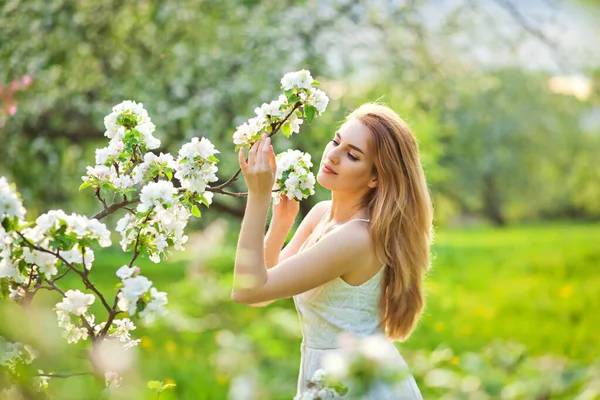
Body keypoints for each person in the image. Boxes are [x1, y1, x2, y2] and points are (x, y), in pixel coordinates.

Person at [232, 103, 433, 399]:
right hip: (326, 377)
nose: (333, 156)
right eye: (336, 141)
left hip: (357, 384)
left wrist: (259, 196)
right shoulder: (322, 214)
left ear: (375, 177)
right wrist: (280, 224)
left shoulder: (356, 238)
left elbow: (246, 290)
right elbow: (262, 295)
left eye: (352, 155)